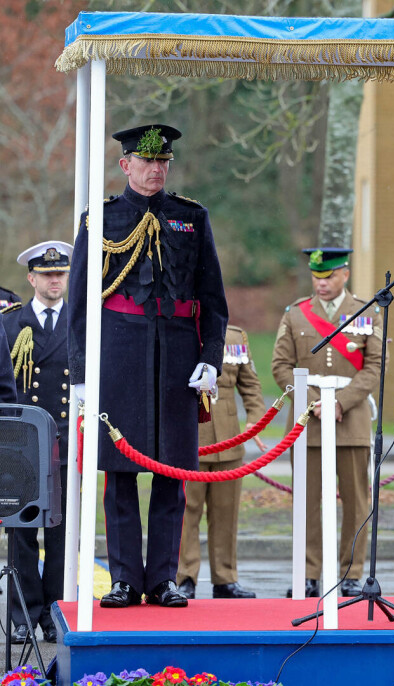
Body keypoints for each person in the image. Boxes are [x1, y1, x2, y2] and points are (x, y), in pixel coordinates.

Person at [68, 123, 228, 609]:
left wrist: (210, 359)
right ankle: (122, 578)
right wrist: (80, 375)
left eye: (163, 162)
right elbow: (79, 304)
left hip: (178, 352)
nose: (156, 169)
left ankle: (161, 578)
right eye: (146, 161)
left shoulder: (191, 217)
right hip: (119, 352)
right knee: (119, 473)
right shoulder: (101, 220)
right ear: (126, 164)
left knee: (171, 472)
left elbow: (213, 299)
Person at [272, 247, 381, 598]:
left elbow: (375, 366)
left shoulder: (367, 312)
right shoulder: (295, 314)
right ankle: (307, 572)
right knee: (306, 501)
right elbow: (280, 366)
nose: (321, 284)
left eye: (329, 276)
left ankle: (352, 573)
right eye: (317, 277)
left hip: (351, 419)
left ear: (344, 274)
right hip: (309, 420)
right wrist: (314, 403)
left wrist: (342, 402)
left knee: (356, 500)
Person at [2, 241, 72, 642]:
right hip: (22, 445)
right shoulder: (11, 323)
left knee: (61, 535)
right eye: (47, 275)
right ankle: (24, 616)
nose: (54, 280)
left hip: (63, 444)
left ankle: (55, 615)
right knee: (22, 534)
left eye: (60, 273)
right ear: (31, 278)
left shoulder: (81, 323)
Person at [176, 324, 266, 600]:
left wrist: (255, 416)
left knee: (226, 514)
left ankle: (225, 579)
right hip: (189, 439)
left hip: (229, 441)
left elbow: (250, 384)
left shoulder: (236, 337)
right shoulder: (179, 331)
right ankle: (184, 578)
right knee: (185, 514)